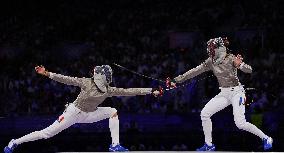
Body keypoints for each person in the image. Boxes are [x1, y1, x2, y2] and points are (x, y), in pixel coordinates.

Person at [4, 65, 161, 153]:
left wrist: (151, 91)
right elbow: (66, 79)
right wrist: (47, 73)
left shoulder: (108, 90)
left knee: (112, 111)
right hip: (73, 112)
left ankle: (114, 145)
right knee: (46, 133)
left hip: (89, 114)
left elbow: (130, 91)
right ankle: (15, 142)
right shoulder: (86, 82)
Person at [167, 37, 273, 151]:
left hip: (237, 93)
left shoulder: (231, 58)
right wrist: (176, 80)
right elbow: (194, 71)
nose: (210, 50)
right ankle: (209, 145)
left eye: (212, 48)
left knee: (240, 123)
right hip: (224, 93)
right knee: (205, 113)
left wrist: (240, 65)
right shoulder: (210, 61)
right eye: (209, 48)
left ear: (219, 49)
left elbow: (250, 70)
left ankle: (266, 138)